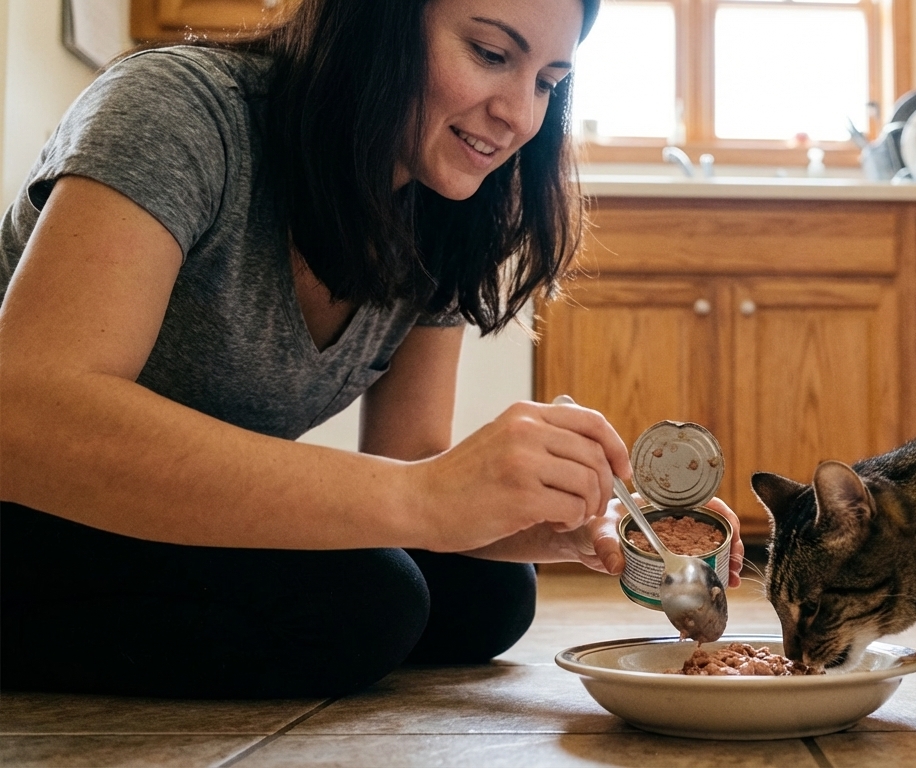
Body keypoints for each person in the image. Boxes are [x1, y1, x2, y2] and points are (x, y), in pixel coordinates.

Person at [0, 0, 743, 699]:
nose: (520, 115)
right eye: (490, 53)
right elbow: (26, 415)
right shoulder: (178, 109)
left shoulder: (445, 212)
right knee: (366, 603)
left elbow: (410, 455)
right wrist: (425, 498)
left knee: (485, 595)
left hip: (135, 521)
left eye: (549, 82)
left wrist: (559, 519)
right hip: (27, 502)